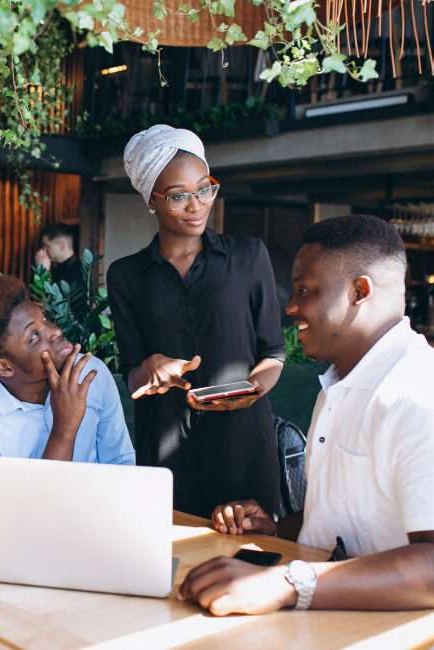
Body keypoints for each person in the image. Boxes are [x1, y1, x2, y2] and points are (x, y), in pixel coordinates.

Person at [181, 215, 434, 650]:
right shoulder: (339, 386)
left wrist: (287, 583)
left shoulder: (426, 395)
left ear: (359, 292)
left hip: (426, 638)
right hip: (340, 621)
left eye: (305, 290)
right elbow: (348, 521)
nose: (291, 308)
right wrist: (277, 529)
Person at [106, 125, 285, 517]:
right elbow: (132, 374)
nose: (196, 205)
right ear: (151, 201)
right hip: (167, 449)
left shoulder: (249, 256)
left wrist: (253, 389)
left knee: (250, 547)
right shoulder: (126, 275)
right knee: (168, 549)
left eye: (205, 189)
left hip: (243, 443)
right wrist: (151, 369)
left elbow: (274, 352)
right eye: (178, 196)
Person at [0, 275, 134, 477]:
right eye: (34, 336)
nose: (56, 331)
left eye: (45, 319)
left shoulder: (89, 373)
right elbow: (15, 500)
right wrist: (64, 428)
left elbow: (120, 463)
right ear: (4, 367)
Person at [35, 223, 84, 289]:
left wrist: (43, 273)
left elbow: (50, 295)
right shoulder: (57, 268)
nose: (43, 250)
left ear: (61, 245)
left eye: (47, 246)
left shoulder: (78, 272)